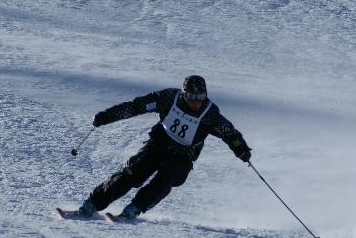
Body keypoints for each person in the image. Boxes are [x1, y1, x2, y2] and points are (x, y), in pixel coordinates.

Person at [76, 75, 252, 219]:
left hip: (183, 156)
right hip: (159, 144)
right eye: (191, 97)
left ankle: (134, 209)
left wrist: (241, 150)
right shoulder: (168, 98)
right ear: (183, 93)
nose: (196, 102)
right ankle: (92, 204)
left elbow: (229, 133)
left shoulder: (210, 113)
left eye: (200, 97)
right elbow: (136, 107)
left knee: (165, 178)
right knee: (133, 172)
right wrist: (106, 116)